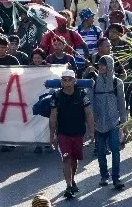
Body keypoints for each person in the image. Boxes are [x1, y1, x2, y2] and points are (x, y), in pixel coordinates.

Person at [49, 69, 95, 200]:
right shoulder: (56, 96)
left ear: (75, 81)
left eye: (70, 80)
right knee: (66, 159)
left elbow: (89, 114)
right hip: (63, 133)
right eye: (65, 80)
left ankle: (72, 180)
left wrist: (92, 132)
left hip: (79, 133)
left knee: (74, 160)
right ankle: (68, 186)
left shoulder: (82, 95)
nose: (67, 82)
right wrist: (51, 136)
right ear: (61, 82)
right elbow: (53, 117)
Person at [92, 55, 128, 190]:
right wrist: (92, 122)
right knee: (101, 151)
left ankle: (116, 178)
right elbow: (91, 102)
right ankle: (104, 176)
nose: (101, 67)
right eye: (99, 65)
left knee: (115, 149)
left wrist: (124, 124)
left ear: (110, 66)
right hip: (99, 123)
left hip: (114, 122)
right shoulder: (94, 82)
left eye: (104, 64)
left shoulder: (117, 82)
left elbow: (122, 104)